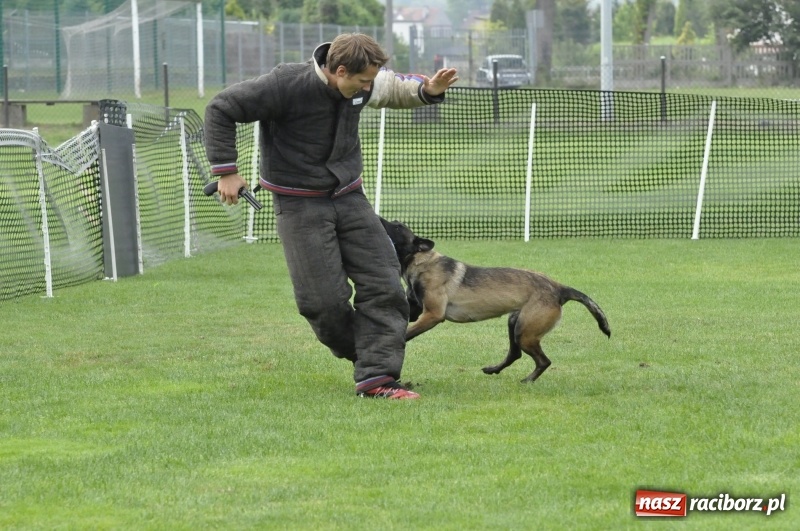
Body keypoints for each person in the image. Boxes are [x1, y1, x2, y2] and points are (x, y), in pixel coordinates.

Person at [204, 33, 458, 400]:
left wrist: (429, 90)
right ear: (339, 71)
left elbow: (394, 89)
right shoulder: (284, 84)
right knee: (321, 303)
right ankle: (366, 352)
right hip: (299, 204)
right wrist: (226, 170)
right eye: (363, 82)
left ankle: (378, 379)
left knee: (385, 286)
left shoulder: (361, 82)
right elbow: (221, 108)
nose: (369, 88)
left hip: (350, 197)